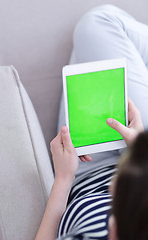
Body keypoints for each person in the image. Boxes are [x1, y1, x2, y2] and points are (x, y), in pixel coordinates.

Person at [35, 4, 148, 240]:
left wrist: (63, 178)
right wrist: (139, 148)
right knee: (98, 24)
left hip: (86, 171)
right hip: (140, 154)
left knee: (85, 60)